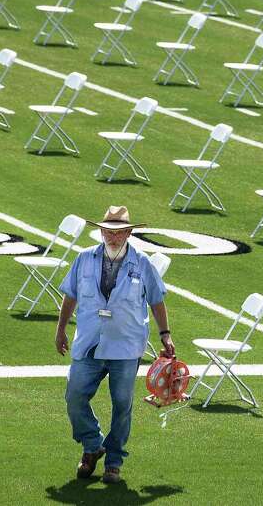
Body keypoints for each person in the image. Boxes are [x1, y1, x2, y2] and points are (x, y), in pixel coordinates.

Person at [56, 205, 174, 484]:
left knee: (122, 404)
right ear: (100, 231)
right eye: (108, 231)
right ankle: (93, 444)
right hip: (89, 342)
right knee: (74, 397)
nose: (113, 236)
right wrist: (60, 328)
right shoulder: (83, 259)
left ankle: (113, 462)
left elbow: (157, 300)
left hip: (125, 346)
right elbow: (70, 295)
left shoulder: (143, 263)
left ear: (129, 233)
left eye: (119, 232)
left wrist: (165, 334)